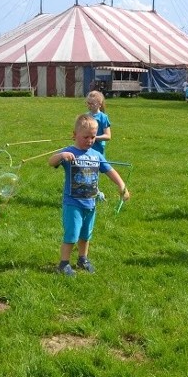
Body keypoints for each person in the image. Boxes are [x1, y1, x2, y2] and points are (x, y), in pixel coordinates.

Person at [48, 114, 130, 276]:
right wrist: (61, 156)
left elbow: (110, 171)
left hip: (90, 203)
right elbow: (51, 162)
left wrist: (122, 186)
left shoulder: (96, 155)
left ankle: (82, 259)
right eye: (86, 137)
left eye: (93, 137)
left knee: (86, 234)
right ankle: (63, 264)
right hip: (73, 203)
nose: (90, 140)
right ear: (74, 135)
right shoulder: (69, 152)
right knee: (72, 234)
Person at [85, 90, 111, 155]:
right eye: (88, 103)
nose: (90, 105)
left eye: (92, 104)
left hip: (98, 149)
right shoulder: (85, 116)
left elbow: (108, 136)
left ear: (100, 104)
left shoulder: (103, 117)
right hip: (85, 147)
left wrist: (94, 138)